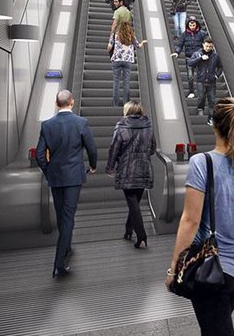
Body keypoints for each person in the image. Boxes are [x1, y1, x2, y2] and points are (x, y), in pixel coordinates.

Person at [165, 97, 234, 336]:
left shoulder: (201, 163)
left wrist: (173, 269)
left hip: (212, 272)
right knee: (214, 327)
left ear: (214, 124)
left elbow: (190, 220)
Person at [35, 90, 98, 278]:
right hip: (73, 176)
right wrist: (93, 166)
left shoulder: (47, 125)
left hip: (55, 176)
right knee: (68, 216)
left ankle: (67, 247)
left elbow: (39, 155)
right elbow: (92, 148)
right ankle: (59, 264)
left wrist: (48, 170)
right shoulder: (81, 123)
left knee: (61, 214)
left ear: (56, 103)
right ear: (72, 102)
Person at [106, 101, 156, 249]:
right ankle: (128, 230)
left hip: (127, 169)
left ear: (127, 111)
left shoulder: (122, 126)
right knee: (134, 203)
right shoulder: (149, 126)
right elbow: (152, 148)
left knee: (133, 203)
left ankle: (142, 236)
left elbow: (114, 148)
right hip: (144, 167)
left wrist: (110, 167)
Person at [108, 21, 147, 106]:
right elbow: (138, 46)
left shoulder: (115, 34)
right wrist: (142, 43)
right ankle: (126, 104)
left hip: (117, 60)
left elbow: (109, 47)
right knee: (126, 82)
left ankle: (115, 104)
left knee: (116, 82)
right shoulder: (131, 36)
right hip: (128, 61)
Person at [188, 37, 223, 118]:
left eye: (210, 47)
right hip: (201, 80)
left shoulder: (215, 55)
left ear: (212, 46)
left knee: (212, 100)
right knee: (201, 97)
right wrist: (200, 58)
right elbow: (190, 63)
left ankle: (211, 117)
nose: (208, 48)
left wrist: (216, 76)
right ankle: (200, 111)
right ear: (203, 45)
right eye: (207, 46)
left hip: (211, 81)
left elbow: (220, 67)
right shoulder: (197, 54)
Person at [172, 17, 206, 99]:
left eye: (193, 25)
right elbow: (180, 45)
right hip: (189, 58)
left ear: (196, 24)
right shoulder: (184, 34)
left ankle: (202, 92)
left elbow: (206, 44)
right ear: (188, 25)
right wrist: (177, 52)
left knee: (201, 75)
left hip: (200, 57)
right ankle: (191, 91)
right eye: (190, 25)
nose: (192, 26)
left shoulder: (202, 33)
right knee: (190, 76)